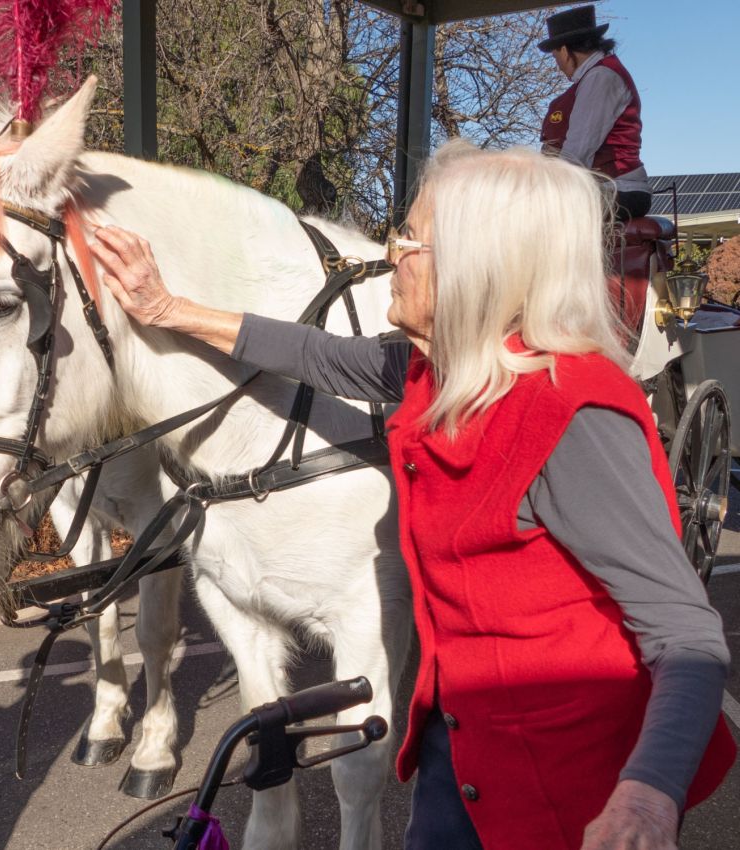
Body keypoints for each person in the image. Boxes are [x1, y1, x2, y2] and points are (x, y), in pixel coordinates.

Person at [89, 141, 735, 850]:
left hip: (567, 788)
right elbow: (312, 353)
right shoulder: (439, 368)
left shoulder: (574, 416)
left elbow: (688, 635)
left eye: (411, 239)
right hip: (459, 745)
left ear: (478, 268)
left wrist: (648, 796)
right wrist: (169, 306)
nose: (390, 251)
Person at [539, 4, 652, 222]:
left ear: (564, 50)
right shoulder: (597, 76)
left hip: (619, 190)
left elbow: (577, 152)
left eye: (555, 57)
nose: (558, 66)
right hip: (611, 187)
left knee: (531, 212)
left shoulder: (600, 77)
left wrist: (544, 186)